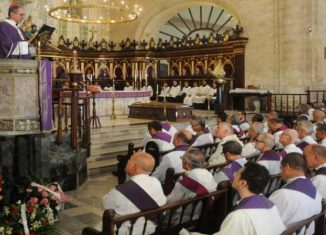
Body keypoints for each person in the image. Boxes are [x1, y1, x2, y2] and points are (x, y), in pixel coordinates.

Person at [180, 162, 285, 235]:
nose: (233, 176)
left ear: (243, 183)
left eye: (237, 174)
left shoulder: (240, 215)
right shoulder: (270, 205)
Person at [102, 152, 166, 234]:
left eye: (129, 161)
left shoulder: (121, 191)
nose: (127, 162)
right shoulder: (156, 182)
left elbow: (106, 204)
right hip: (151, 229)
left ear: (135, 166)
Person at [269, 153, 322, 234]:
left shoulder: (283, 195)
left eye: (281, 168)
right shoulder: (316, 192)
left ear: (287, 167)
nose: (281, 171)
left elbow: (267, 221)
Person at [167, 148, 217, 223]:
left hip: (185, 218)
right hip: (204, 214)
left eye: (182, 159)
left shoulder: (188, 180)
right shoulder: (208, 174)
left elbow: (171, 201)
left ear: (186, 163)